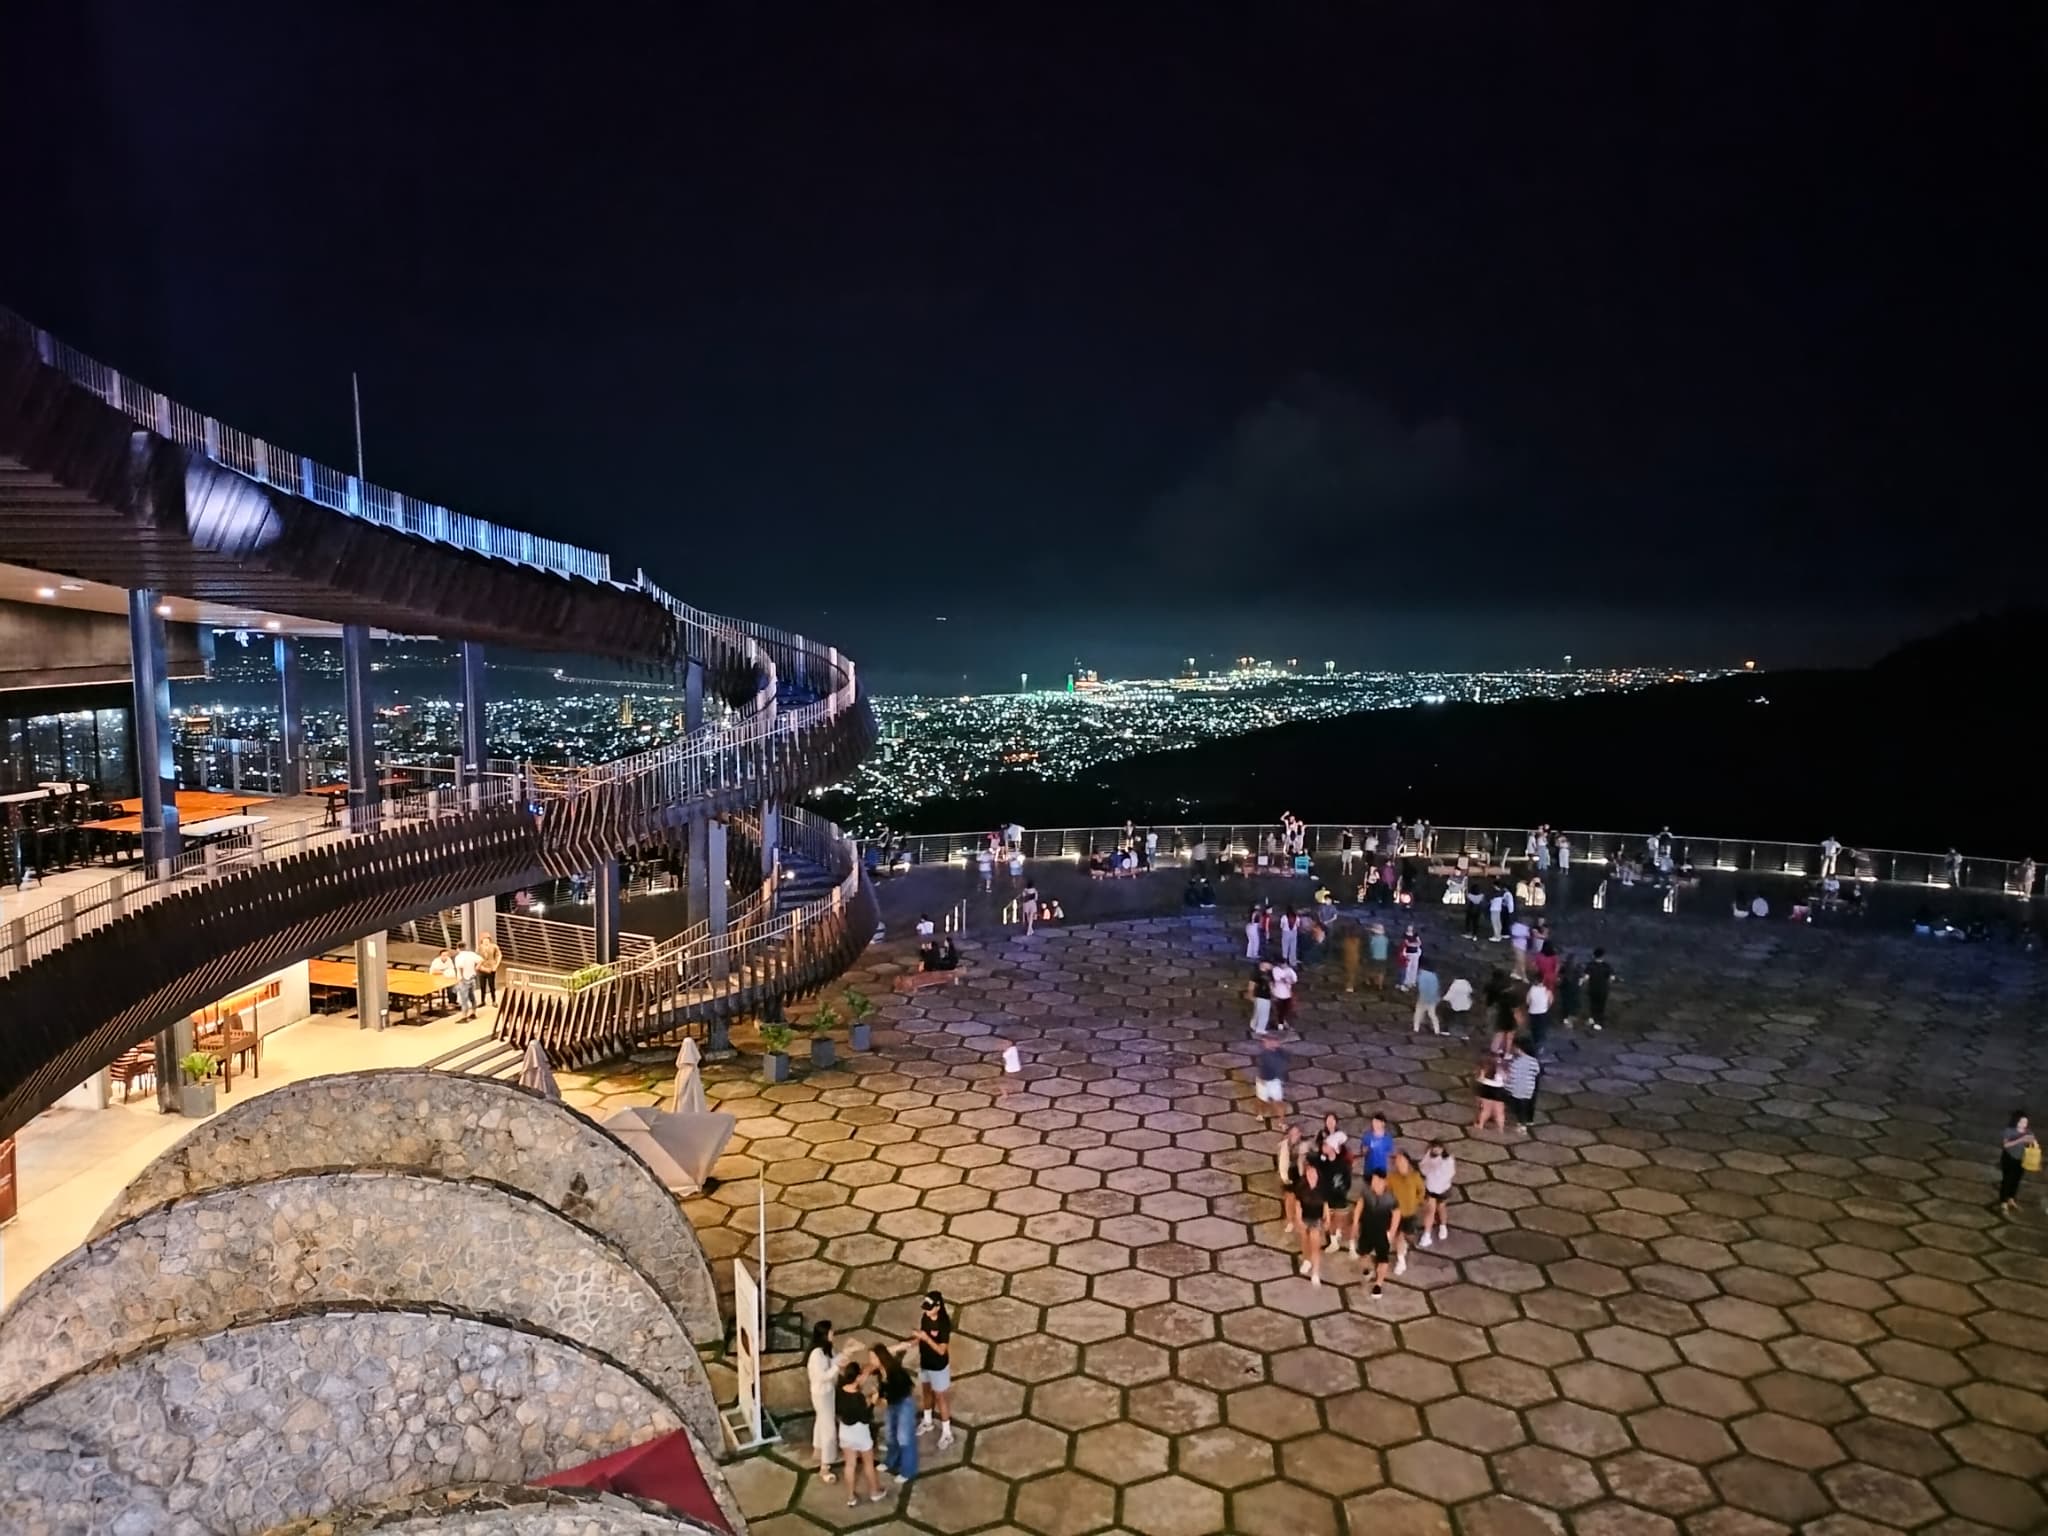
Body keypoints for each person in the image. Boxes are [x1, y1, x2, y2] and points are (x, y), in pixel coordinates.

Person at [836, 1358, 885, 1505]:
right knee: (868, 1464)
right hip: (860, 1433)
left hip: (845, 1431)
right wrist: (873, 1402)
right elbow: (865, 1418)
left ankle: (851, 1497)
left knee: (850, 1464)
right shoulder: (858, 1398)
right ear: (856, 1377)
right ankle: (874, 1492)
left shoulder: (840, 1390)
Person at [873, 1344, 919, 1484]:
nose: (870, 1360)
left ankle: (907, 1470)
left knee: (904, 1438)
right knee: (890, 1434)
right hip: (892, 1405)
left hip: (903, 1405)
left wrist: (883, 1399)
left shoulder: (896, 1372)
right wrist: (880, 1395)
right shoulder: (881, 1373)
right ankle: (890, 1461)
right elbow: (884, 1389)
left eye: (872, 1357)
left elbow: (908, 1387)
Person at [914, 1292, 955, 1449]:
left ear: (938, 1307)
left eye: (929, 1309)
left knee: (940, 1397)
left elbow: (941, 1350)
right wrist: (916, 1339)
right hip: (925, 1362)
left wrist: (926, 1338)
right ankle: (927, 1421)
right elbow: (923, 1336)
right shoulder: (925, 1318)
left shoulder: (944, 1324)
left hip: (938, 1367)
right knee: (926, 1391)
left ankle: (947, 1433)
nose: (926, 1312)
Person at [807, 1320, 842, 1481]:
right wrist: (838, 1367)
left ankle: (818, 1449)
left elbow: (834, 1360)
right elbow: (823, 1376)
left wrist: (844, 1355)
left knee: (821, 1421)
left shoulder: (826, 1350)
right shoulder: (816, 1355)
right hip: (822, 1394)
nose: (833, 1334)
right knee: (829, 1428)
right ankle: (825, 1465)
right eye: (831, 1332)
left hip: (827, 1392)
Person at [1358, 1170, 1399, 1300]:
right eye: (1373, 1180)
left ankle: (1378, 1285)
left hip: (1382, 1233)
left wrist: (1391, 1232)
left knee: (1383, 1259)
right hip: (1366, 1229)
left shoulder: (1390, 1198)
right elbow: (1360, 1204)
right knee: (1363, 1252)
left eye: (1377, 1181)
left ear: (1384, 1182)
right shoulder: (1367, 1192)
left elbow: (1396, 1214)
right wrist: (1355, 1222)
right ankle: (1369, 1268)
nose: (1374, 1183)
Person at [1319, 1117, 1357, 1255]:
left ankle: (1339, 1240)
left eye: (1326, 1145)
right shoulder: (1323, 1164)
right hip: (1328, 1197)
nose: (1323, 1147)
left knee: (1338, 1221)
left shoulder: (1343, 1165)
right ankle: (1333, 1241)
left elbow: (1347, 1181)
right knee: (1329, 1221)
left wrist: (1342, 1190)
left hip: (1340, 1197)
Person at [1386, 1150, 1427, 1277]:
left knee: (1403, 1237)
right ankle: (1401, 1260)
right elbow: (1388, 1192)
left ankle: (1401, 1257)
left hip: (1409, 1213)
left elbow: (1421, 1191)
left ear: (1407, 1162)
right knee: (1399, 1237)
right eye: (1397, 1160)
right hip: (1395, 1213)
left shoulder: (1414, 1176)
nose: (1399, 1163)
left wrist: (1416, 1201)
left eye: (1401, 1160)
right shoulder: (1392, 1177)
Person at [1293, 1159, 1327, 1287]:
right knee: (1304, 1240)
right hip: (1304, 1217)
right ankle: (1306, 1259)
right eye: (1309, 1173)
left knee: (1315, 1246)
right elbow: (1297, 1204)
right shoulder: (1301, 1186)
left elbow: (1325, 1204)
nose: (1311, 1175)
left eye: (1313, 1173)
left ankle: (1315, 1272)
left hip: (1316, 1219)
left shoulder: (1323, 1187)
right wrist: (1298, 1218)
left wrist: (1327, 1218)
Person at [1419, 1141, 1456, 1247]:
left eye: (1438, 1148)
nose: (1435, 1150)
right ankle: (1427, 1235)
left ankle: (1443, 1226)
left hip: (1443, 1188)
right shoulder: (1429, 1156)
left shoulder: (1448, 1160)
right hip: (1431, 1187)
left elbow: (1450, 1173)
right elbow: (1423, 1167)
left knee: (1441, 1207)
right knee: (1430, 1210)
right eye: (1434, 1148)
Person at [1999, 1113, 2038, 1214]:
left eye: (2025, 1122)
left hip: (2022, 1159)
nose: (2024, 1124)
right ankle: (2003, 1201)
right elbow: (2006, 1145)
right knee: (2007, 1180)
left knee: (2016, 1180)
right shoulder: (2009, 1131)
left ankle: (2011, 1199)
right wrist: (2020, 1139)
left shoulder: (2028, 1132)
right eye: (2021, 1122)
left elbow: (2032, 1143)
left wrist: (2032, 1141)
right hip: (2009, 1158)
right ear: (2016, 1121)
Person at [1277, 1123, 1307, 1244]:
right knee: (1288, 1198)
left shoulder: (1304, 1146)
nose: (1294, 1135)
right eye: (1292, 1132)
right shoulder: (1284, 1145)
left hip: (1299, 1175)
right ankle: (1290, 1221)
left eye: (1296, 1132)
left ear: (1300, 1134)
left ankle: (1298, 1220)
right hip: (1287, 1173)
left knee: (1297, 1200)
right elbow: (1280, 1158)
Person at [1505, 1036, 1541, 1134]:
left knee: (1519, 1108)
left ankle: (1522, 1125)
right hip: (1529, 1089)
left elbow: (1510, 1076)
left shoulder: (1515, 1062)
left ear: (1518, 1048)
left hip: (1516, 1089)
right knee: (1527, 1104)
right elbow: (1537, 1072)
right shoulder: (1533, 1061)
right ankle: (1529, 1121)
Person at [1473, 1047, 1508, 1133]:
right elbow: (1506, 1078)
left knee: (1486, 1109)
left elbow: (1479, 1079)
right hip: (1499, 1090)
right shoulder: (1500, 1069)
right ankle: (1501, 1128)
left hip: (1486, 1090)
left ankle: (1480, 1125)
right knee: (1500, 1111)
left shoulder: (1484, 1068)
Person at [1254, 1038, 1290, 1119]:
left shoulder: (1281, 1053)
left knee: (1278, 1101)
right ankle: (1260, 1114)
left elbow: (1285, 1061)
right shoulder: (1264, 1054)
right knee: (1262, 1100)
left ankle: (1282, 1121)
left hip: (1275, 1081)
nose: (1267, 1043)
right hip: (1263, 1081)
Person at [1585, 948, 1615, 1032]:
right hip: (1603, 989)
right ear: (1603, 956)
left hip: (1593, 988)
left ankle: (1592, 1019)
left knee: (1592, 1004)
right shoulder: (1607, 966)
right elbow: (1611, 978)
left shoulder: (1590, 965)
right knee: (1601, 1006)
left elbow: (1586, 977)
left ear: (1594, 955)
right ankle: (1599, 1023)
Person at [452, 943, 482, 1019]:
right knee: (472, 996)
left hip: (463, 979)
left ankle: (464, 1016)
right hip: (472, 977)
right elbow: (481, 960)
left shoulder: (458, 957)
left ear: (458, 948)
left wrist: (462, 977)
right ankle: (473, 1012)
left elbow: (460, 967)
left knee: (464, 999)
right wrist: (476, 968)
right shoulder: (471, 954)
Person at [1270, 958, 1298, 1032]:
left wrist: (1288, 980)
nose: (1284, 965)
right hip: (1278, 993)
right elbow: (1278, 979)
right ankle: (1280, 1024)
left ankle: (1283, 1022)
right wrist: (1287, 980)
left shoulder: (1290, 970)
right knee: (1279, 1009)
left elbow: (1294, 979)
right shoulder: (1275, 969)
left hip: (1287, 993)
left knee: (1286, 1009)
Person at [1412, 965, 1442, 1035]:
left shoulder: (1421, 976)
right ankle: (1437, 1030)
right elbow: (1437, 988)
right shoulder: (1434, 976)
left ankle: (1416, 1029)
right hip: (1432, 999)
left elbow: (1421, 987)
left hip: (1423, 999)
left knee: (1418, 1014)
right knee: (1432, 1014)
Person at [475, 930, 502, 1007]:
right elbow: (476, 958)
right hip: (482, 968)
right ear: (482, 940)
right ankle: (482, 1001)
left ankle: (494, 1000)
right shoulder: (479, 948)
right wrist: (481, 967)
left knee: (491, 985)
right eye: (484, 939)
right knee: (482, 985)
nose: (486, 941)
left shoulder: (494, 946)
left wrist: (496, 965)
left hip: (491, 967)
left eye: (487, 939)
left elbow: (499, 955)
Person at [1367, 921, 1390, 991]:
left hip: (1375, 957)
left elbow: (1371, 948)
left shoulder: (1373, 939)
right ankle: (1380, 985)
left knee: (1373, 970)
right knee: (1381, 972)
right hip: (1383, 957)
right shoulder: (1386, 939)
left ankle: (1371, 982)